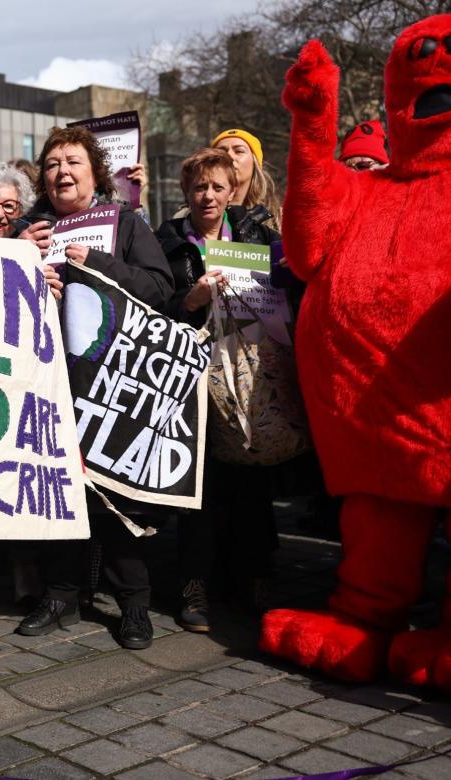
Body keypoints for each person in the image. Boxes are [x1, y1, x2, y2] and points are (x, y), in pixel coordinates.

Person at [17, 126, 173, 650]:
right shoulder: (29, 229)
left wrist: (98, 264)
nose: (62, 171)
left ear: (94, 173)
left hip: (112, 382)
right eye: (54, 163)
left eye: (74, 162)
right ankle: (61, 595)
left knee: (115, 497)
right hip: (47, 380)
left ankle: (134, 604)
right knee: (57, 491)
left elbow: (159, 289)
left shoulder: (124, 223)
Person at [154, 147, 281, 631]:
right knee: (200, 486)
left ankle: (251, 579)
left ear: (233, 192)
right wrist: (192, 297)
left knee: (250, 482)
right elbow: (151, 309)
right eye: (199, 187)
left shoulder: (256, 237)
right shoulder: (167, 242)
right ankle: (195, 587)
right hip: (189, 378)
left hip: (247, 378)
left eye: (217, 187)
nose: (207, 195)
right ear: (187, 193)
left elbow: (282, 297)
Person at [212, 128, 282, 229]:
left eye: (239, 151)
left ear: (255, 163)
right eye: (221, 152)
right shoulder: (189, 218)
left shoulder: (281, 219)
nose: (229, 156)